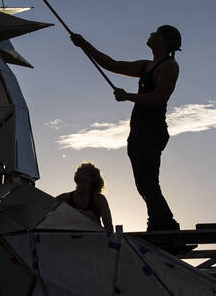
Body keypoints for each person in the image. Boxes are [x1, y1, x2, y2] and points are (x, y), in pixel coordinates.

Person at [70, 25, 181, 232]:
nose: (151, 33)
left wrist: (128, 96)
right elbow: (110, 64)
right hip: (138, 130)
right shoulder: (146, 66)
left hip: (152, 130)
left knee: (148, 181)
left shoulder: (169, 66)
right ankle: (161, 222)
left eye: (156, 32)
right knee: (143, 183)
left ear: (165, 41)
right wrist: (84, 45)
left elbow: (159, 98)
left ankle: (164, 225)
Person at [57, 161, 114, 233]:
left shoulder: (99, 199)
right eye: (79, 171)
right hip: (68, 240)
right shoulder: (64, 198)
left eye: (84, 172)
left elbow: (109, 229)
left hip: (94, 239)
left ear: (92, 179)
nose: (79, 173)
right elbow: (47, 212)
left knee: (89, 215)